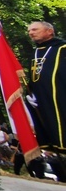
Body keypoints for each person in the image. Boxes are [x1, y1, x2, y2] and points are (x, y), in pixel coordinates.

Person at [26, 21, 66, 153]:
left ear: (49, 31)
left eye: (35, 29)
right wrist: (30, 94)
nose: (31, 33)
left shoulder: (62, 48)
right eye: (29, 31)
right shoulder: (34, 54)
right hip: (43, 102)